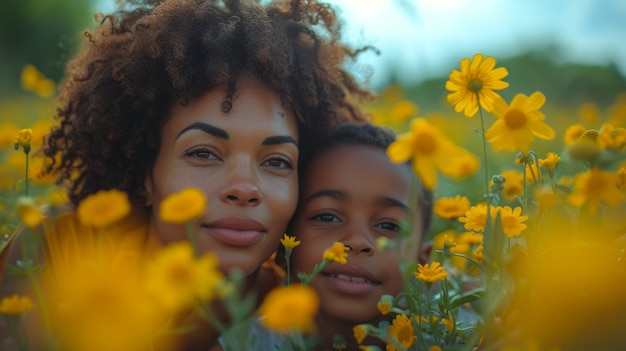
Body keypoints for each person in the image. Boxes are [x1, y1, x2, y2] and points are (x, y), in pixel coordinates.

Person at [0, 0, 374, 349]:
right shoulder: (58, 247)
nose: (244, 189)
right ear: (146, 171)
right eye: (203, 153)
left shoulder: (293, 307)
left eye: (276, 161)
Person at [217, 122, 433, 350]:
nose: (357, 242)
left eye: (388, 225)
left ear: (423, 263)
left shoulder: (463, 337)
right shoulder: (242, 345)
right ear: (283, 249)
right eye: (327, 217)